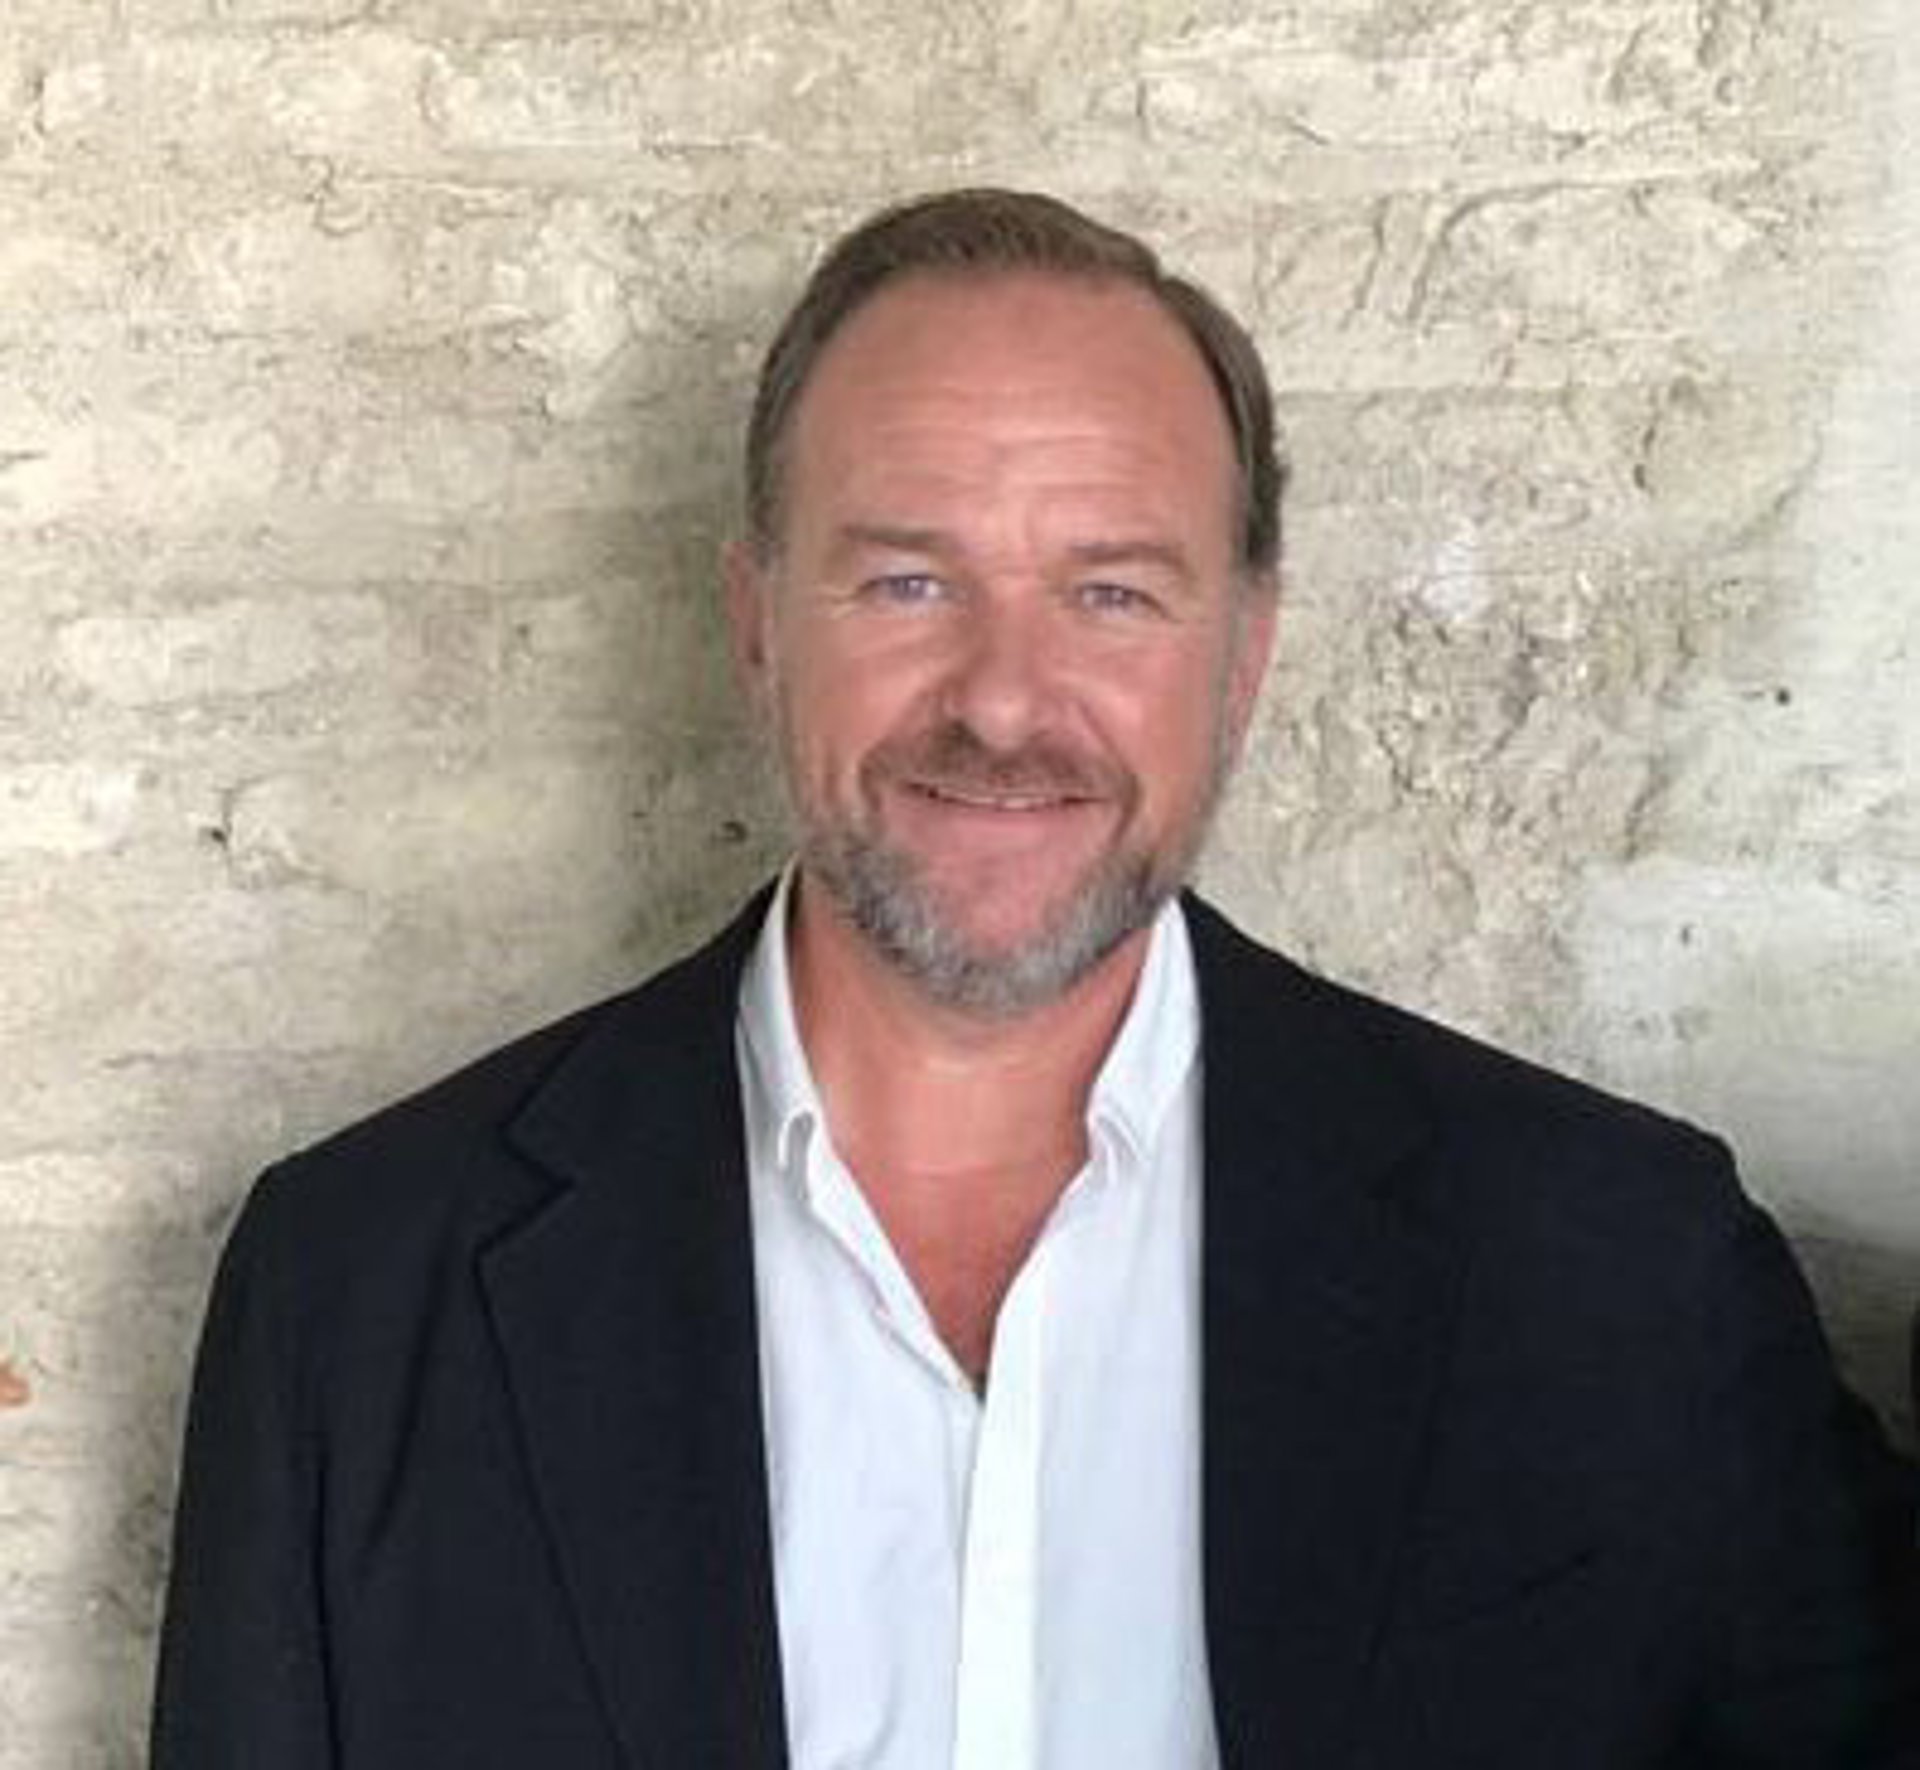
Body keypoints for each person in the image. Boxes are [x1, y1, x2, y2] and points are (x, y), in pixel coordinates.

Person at [151, 189, 1919, 1769]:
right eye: (908, 580)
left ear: (1245, 653)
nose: (1002, 703)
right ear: (757, 621)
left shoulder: (1624, 1273)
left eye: (1113, 594)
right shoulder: (357, 1298)